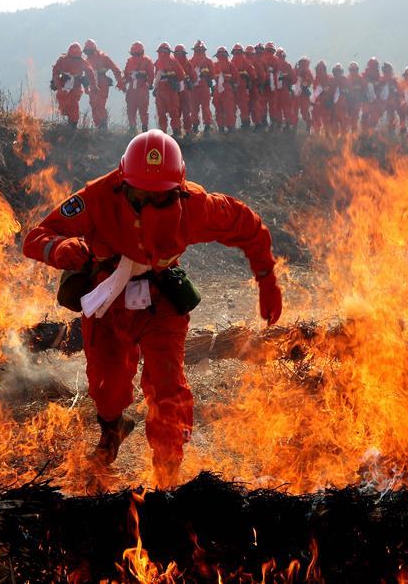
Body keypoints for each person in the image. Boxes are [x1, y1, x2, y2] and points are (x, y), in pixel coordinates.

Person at [22, 130, 283, 487]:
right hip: (108, 299)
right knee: (107, 385)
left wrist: (267, 279)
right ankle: (112, 430)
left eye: (159, 198)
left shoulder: (196, 206)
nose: (148, 204)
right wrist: (60, 248)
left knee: (168, 389)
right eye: (139, 196)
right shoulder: (97, 197)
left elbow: (248, 227)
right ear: (123, 183)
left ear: (178, 190)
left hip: (160, 300)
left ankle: (167, 472)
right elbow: (36, 237)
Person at [51, 42, 98, 128]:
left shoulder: (82, 61)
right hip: (64, 85)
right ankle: (70, 119)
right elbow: (55, 72)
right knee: (63, 103)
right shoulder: (62, 60)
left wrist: (93, 86)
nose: (74, 61)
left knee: (74, 104)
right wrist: (57, 83)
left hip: (76, 86)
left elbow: (90, 73)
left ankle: (73, 124)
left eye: (76, 59)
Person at [83, 39, 123, 130]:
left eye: (89, 51)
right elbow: (86, 74)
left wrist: (120, 82)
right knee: (93, 104)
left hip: (102, 83)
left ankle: (103, 126)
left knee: (100, 104)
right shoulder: (87, 59)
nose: (88, 53)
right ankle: (98, 126)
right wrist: (86, 87)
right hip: (92, 84)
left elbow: (115, 69)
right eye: (87, 52)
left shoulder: (104, 57)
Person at [153, 42, 186, 136]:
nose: (163, 53)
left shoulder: (173, 61)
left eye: (164, 51)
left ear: (168, 51)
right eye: (161, 51)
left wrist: (173, 79)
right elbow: (157, 77)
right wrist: (155, 88)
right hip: (160, 91)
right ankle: (162, 133)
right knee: (161, 113)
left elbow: (181, 76)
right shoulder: (158, 62)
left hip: (170, 90)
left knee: (173, 112)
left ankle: (176, 132)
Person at [123, 42, 155, 132]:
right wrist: (122, 83)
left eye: (137, 54)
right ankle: (132, 128)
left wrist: (146, 85)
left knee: (143, 110)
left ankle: (144, 128)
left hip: (142, 89)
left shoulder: (147, 61)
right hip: (132, 89)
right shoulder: (129, 61)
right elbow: (126, 75)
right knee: (130, 109)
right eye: (134, 54)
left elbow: (151, 75)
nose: (135, 56)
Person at [189, 40, 215, 134]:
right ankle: (195, 126)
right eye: (197, 50)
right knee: (194, 108)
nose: (199, 52)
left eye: (200, 50)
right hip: (194, 89)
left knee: (205, 108)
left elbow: (212, 75)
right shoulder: (190, 62)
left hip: (203, 88)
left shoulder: (207, 61)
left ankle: (206, 126)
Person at [212, 46, 238, 132]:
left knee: (222, 109)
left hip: (221, 88)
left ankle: (222, 128)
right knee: (227, 109)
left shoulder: (216, 65)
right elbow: (236, 77)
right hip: (225, 88)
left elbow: (235, 77)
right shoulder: (230, 64)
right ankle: (229, 128)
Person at [173, 44, 197, 135]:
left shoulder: (187, 64)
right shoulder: (172, 63)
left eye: (180, 53)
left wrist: (190, 82)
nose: (179, 55)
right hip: (175, 91)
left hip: (184, 91)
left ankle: (187, 131)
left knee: (186, 111)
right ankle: (178, 131)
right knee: (176, 111)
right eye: (177, 53)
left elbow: (194, 77)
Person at [231, 44, 256, 130]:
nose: (237, 53)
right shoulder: (231, 62)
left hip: (242, 87)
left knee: (243, 106)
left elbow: (252, 75)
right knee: (233, 107)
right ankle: (234, 126)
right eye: (235, 52)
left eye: (238, 52)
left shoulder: (245, 62)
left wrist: (247, 78)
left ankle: (245, 124)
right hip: (234, 87)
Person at [274, 48, 297, 131]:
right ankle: (287, 124)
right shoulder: (287, 65)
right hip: (285, 90)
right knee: (286, 108)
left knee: (278, 107)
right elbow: (294, 80)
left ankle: (279, 124)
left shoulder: (274, 65)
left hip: (277, 90)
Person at [327, 63, 350, 136]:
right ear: (334, 72)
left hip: (342, 104)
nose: (338, 73)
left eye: (339, 71)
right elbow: (328, 92)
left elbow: (349, 90)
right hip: (333, 105)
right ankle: (335, 138)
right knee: (333, 122)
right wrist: (328, 101)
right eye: (336, 71)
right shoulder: (331, 80)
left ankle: (343, 137)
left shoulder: (345, 80)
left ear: (341, 72)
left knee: (343, 121)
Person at [378, 61, 401, 132]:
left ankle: (391, 132)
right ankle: (378, 132)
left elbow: (399, 93)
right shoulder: (380, 81)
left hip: (391, 104)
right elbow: (376, 94)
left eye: (388, 71)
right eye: (385, 71)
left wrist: (395, 100)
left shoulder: (394, 81)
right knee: (378, 118)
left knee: (392, 118)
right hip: (382, 104)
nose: (387, 73)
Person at [361, 56, 382, 130]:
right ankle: (365, 131)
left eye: (375, 66)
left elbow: (380, 88)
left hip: (375, 100)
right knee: (365, 114)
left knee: (375, 116)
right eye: (373, 66)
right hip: (366, 99)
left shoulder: (378, 76)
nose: (375, 68)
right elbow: (363, 87)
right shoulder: (364, 76)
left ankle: (371, 130)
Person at [294, 57, 314, 134]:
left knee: (302, 111)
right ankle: (305, 128)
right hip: (300, 94)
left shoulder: (302, 70)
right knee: (301, 111)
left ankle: (306, 127)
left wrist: (305, 82)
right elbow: (310, 81)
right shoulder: (302, 70)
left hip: (302, 94)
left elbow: (310, 81)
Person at [346, 61, 366, 133]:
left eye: (355, 70)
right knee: (349, 118)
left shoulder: (360, 79)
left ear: (357, 70)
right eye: (352, 70)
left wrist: (362, 100)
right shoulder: (347, 79)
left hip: (357, 102)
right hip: (349, 102)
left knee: (355, 118)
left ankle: (355, 133)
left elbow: (364, 90)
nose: (353, 72)